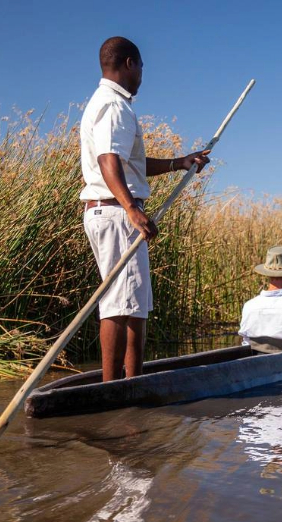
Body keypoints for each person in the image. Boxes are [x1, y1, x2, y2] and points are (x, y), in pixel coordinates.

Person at [80, 36, 211, 381]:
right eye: (140, 67)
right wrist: (132, 210)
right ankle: (112, 389)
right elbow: (107, 161)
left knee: (135, 305)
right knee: (119, 304)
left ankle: (132, 381)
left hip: (115, 209)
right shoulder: (113, 105)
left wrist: (179, 163)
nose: (141, 74)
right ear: (128, 64)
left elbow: (128, 164)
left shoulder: (111, 104)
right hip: (115, 212)